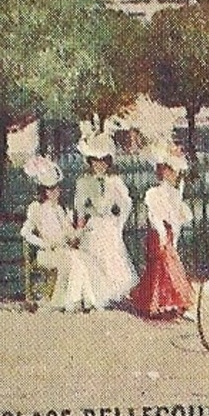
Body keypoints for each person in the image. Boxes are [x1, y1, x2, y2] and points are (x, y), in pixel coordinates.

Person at [19, 155, 98, 312]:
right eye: (50, 189)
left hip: (62, 250)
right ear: (44, 191)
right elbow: (25, 232)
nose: (55, 192)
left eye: (56, 188)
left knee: (83, 260)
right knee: (70, 262)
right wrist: (45, 243)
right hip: (46, 252)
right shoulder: (37, 208)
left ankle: (80, 301)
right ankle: (60, 301)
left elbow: (70, 235)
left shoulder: (60, 210)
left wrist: (82, 230)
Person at [73, 132, 137, 309]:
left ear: (108, 162)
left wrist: (118, 221)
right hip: (94, 223)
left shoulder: (114, 181)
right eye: (95, 161)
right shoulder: (84, 182)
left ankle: (113, 293)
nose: (99, 165)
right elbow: (79, 208)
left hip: (108, 223)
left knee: (112, 255)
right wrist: (80, 228)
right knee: (95, 257)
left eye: (103, 162)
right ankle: (98, 294)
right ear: (90, 162)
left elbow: (126, 202)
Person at [130, 145, 193, 321]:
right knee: (166, 266)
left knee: (166, 268)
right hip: (158, 234)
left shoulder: (174, 193)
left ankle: (166, 303)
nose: (173, 176)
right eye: (170, 171)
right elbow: (154, 216)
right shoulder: (154, 193)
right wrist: (163, 235)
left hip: (169, 234)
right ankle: (176, 302)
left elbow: (177, 218)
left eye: (175, 172)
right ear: (163, 172)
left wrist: (173, 237)